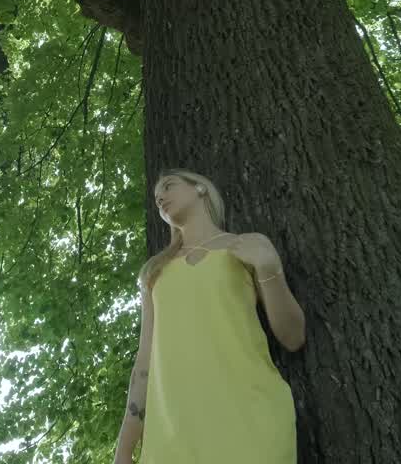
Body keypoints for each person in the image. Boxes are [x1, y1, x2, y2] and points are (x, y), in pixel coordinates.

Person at [112, 168, 306, 464]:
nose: (160, 197)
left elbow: (293, 337)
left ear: (200, 188)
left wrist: (268, 269)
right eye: (155, 196)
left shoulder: (247, 246)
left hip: (250, 419)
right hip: (173, 435)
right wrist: (124, 449)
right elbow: (144, 361)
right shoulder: (155, 272)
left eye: (168, 186)